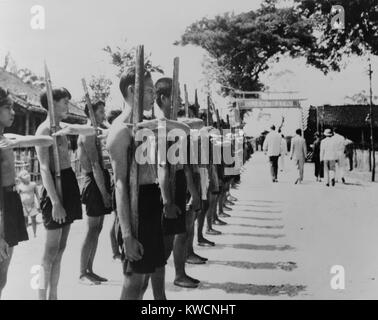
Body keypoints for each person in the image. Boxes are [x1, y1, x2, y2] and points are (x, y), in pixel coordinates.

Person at [107, 68, 190, 300]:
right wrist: (127, 235)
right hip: (136, 206)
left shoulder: (143, 126)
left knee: (143, 280)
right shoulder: (120, 131)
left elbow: (184, 129)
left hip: (150, 198)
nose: (154, 95)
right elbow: (120, 185)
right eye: (150, 90)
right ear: (133, 90)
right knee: (133, 281)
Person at [35, 87, 96, 300]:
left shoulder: (62, 127)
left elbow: (92, 130)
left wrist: (71, 129)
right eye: (64, 101)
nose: (67, 105)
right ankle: (41, 297)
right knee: (49, 252)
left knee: (60, 249)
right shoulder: (43, 130)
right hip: (54, 187)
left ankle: (54, 296)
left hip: (68, 182)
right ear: (52, 103)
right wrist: (55, 202)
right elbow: (43, 168)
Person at [0, 86, 53, 298]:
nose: (13, 112)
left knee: (3, 273)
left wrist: (20, 140)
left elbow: (47, 141)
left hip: (11, 201)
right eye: (7, 107)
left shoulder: (7, 138)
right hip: (1, 206)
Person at [150, 77, 201, 295]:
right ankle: (157, 294)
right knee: (164, 244)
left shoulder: (172, 124)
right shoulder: (160, 125)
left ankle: (179, 275)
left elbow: (197, 122)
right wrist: (168, 201)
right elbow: (162, 166)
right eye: (176, 95)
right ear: (163, 98)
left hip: (177, 181)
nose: (180, 99)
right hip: (166, 186)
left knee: (176, 235)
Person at [78, 100, 113, 285]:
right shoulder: (88, 133)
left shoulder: (96, 131)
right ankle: (82, 272)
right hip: (94, 183)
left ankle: (90, 269)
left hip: (100, 180)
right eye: (100, 111)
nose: (103, 114)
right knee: (92, 229)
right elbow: (94, 165)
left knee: (97, 229)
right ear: (91, 113)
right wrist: (104, 193)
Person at [106, 109, 122, 260]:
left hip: (116, 180)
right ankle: (115, 250)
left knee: (119, 218)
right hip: (115, 182)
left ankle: (117, 249)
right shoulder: (112, 135)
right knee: (117, 218)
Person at [17, 170, 40, 238]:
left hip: (32, 205)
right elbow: (17, 196)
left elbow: (37, 194)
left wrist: (39, 203)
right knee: (25, 220)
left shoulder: (33, 184)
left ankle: (34, 233)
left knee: (33, 219)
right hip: (23, 206)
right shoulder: (20, 186)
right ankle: (25, 234)